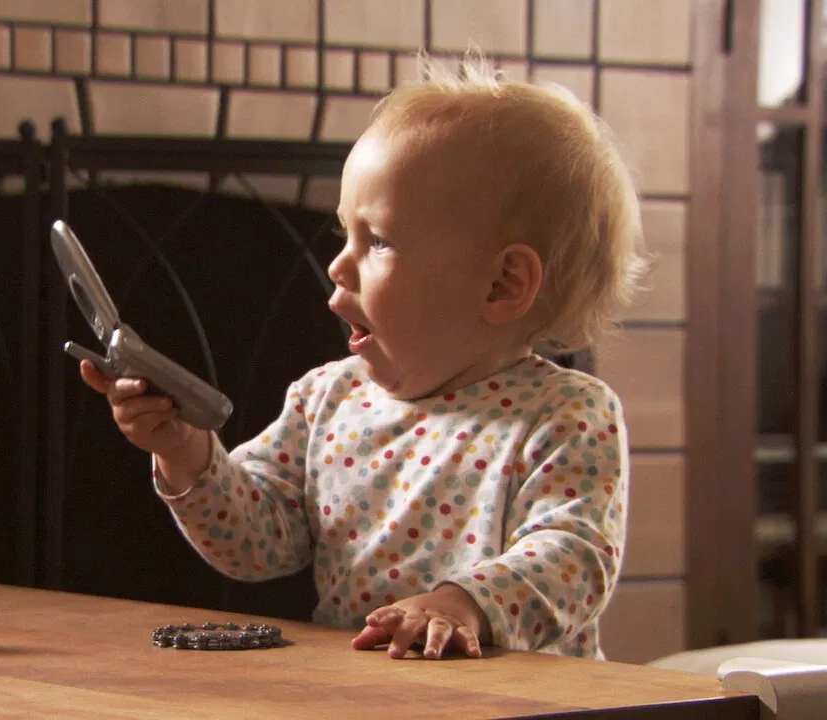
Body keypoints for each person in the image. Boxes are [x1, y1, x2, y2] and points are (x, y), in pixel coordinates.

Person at [79, 53, 648, 661]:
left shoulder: (567, 415)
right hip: (363, 693)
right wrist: (186, 451)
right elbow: (255, 544)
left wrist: (464, 604)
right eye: (343, 233)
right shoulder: (327, 399)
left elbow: (573, 558)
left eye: (377, 240)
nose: (336, 265)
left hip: (521, 699)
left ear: (501, 284)